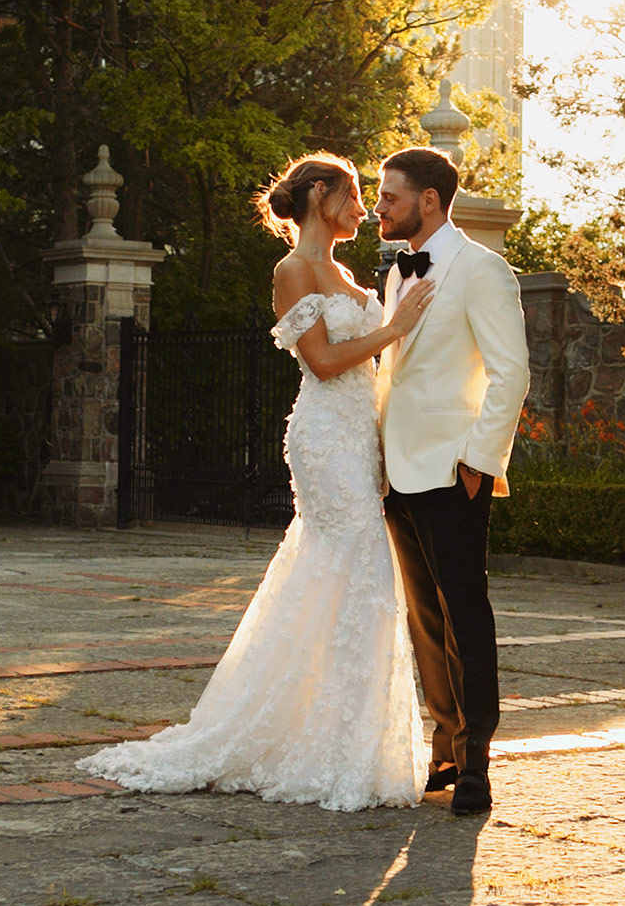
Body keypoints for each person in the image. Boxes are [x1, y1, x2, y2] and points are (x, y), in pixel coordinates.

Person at [78, 152, 433, 811]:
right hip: (325, 439)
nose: (364, 210)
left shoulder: (346, 272)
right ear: (321, 194)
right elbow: (324, 362)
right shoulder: (292, 270)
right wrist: (392, 328)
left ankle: (332, 735)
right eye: (355, 196)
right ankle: (327, 746)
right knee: (362, 571)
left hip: (358, 440)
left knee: (340, 576)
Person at [376, 146, 530, 817]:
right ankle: (444, 741)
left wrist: (478, 461)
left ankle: (476, 762)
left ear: (429, 200)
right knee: (425, 619)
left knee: (466, 614)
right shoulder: (395, 274)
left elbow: (511, 373)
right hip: (396, 471)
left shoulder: (482, 269)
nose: (380, 207)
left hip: (451, 469)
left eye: (390, 196)